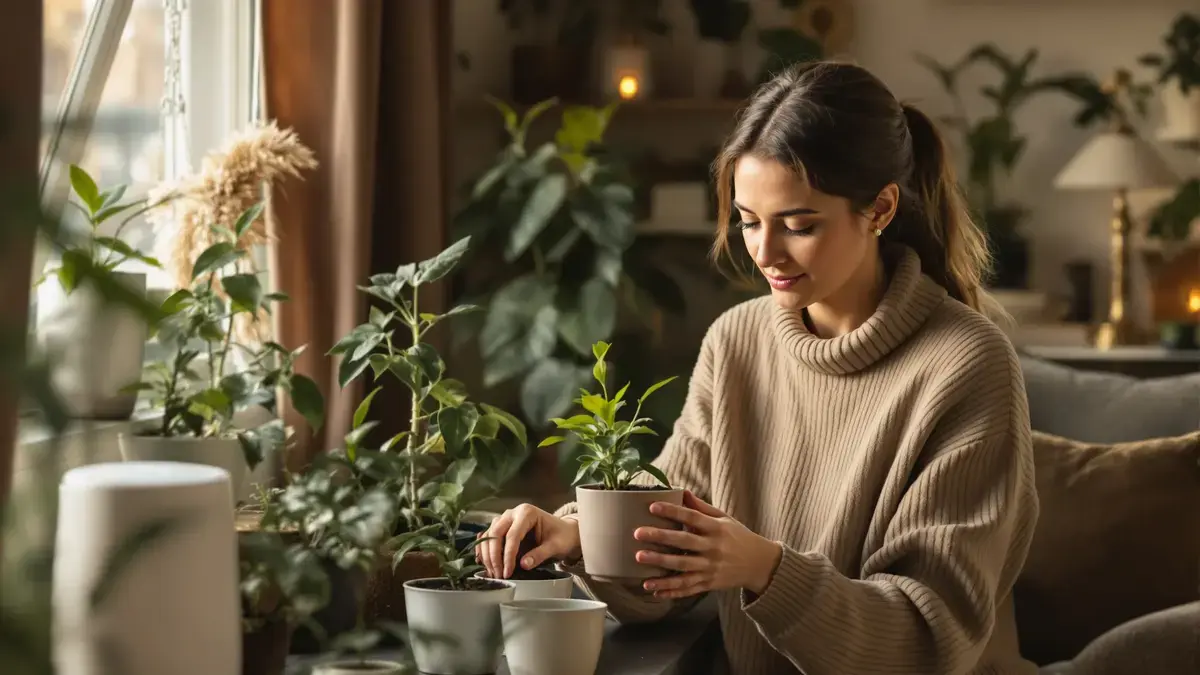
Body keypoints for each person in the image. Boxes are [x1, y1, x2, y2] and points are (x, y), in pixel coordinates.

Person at [480, 60, 1040, 675]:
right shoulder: (737, 340)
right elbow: (674, 527)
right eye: (748, 222)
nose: (765, 254)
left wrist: (764, 569)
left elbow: (925, 641)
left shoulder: (966, 364)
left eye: (798, 226)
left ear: (880, 209)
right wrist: (581, 533)